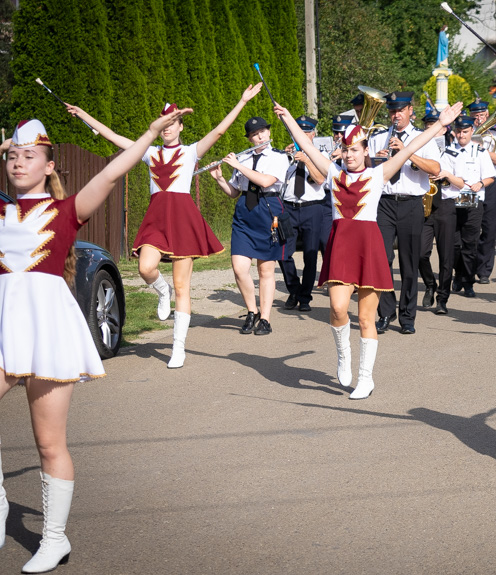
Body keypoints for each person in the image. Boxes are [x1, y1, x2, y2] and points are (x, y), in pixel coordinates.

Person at [0, 110, 187, 573]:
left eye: (30, 156)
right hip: (4, 325)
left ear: (49, 166)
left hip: (47, 329)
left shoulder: (68, 210)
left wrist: (147, 133)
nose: (18, 163)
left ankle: (55, 539)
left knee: (49, 442)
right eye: (12, 155)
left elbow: (114, 170)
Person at [272, 101, 462, 399]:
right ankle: (344, 355)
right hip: (341, 246)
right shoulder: (333, 174)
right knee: (336, 307)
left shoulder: (378, 174)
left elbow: (412, 147)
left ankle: (365, 378)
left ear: (365, 151)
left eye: (355, 150)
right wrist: (286, 118)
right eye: (345, 150)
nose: (349, 155)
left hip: (368, 246)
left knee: (365, 318)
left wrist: (441, 124)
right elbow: (307, 148)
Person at [66, 84, 263, 368]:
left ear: (181, 126)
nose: (168, 128)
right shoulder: (148, 152)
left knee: (183, 286)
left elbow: (219, 131)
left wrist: (242, 101)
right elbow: (113, 137)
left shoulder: (191, 151)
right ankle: (161, 290)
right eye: (164, 124)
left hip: (182, 219)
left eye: (173, 123)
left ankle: (178, 348)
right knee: (146, 268)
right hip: (156, 219)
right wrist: (84, 114)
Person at [209, 116, 290, 335]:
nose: (259, 136)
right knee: (239, 268)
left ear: (269, 133)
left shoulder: (278, 157)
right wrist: (219, 179)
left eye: (262, 132)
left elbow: (265, 181)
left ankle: (265, 318)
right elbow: (234, 192)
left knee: (265, 269)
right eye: (254, 134)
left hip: (268, 209)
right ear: (250, 138)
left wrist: (236, 165)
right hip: (245, 212)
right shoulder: (243, 159)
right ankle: (251, 311)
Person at [369, 92, 442, 335]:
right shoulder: (379, 137)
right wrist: (375, 161)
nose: (395, 115)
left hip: (411, 202)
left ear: (410, 110)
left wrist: (407, 152)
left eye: (400, 110)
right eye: (392, 111)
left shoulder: (422, 138)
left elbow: (435, 168)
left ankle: (407, 316)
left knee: (409, 261)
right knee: (382, 258)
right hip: (384, 202)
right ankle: (386, 312)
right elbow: (365, 169)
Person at [440, 115, 496, 299]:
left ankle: (468, 281)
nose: (461, 135)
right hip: (452, 201)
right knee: (454, 245)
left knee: (470, 244)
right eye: (458, 131)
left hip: (472, 201)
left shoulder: (480, 152)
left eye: (465, 132)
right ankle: (458, 275)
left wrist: (480, 183)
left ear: (472, 131)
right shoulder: (448, 151)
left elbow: (490, 176)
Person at [279, 116, 328, 313]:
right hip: (289, 208)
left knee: (310, 255)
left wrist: (307, 159)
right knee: (283, 253)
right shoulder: (285, 154)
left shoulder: (320, 155)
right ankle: (294, 290)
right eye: (300, 131)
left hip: (313, 208)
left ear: (313, 134)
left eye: (307, 132)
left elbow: (319, 179)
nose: (303, 135)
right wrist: (284, 157)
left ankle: (305, 297)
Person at [418, 111, 458, 314]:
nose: (431, 132)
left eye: (436, 128)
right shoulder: (420, 151)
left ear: (444, 130)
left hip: (445, 207)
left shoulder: (451, 154)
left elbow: (461, 183)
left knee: (446, 256)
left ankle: (443, 298)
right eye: (428, 128)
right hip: (425, 206)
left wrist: (447, 175)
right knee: (420, 253)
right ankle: (429, 284)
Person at [468, 100, 496, 284]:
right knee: (469, 227)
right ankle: (467, 267)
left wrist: (480, 148)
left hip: (490, 184)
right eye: (475, 115)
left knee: (489, 228)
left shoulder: (495, 134)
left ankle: (484, 270)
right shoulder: (464, 133)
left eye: (482, 115)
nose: (479, 118)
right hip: (470, 183)